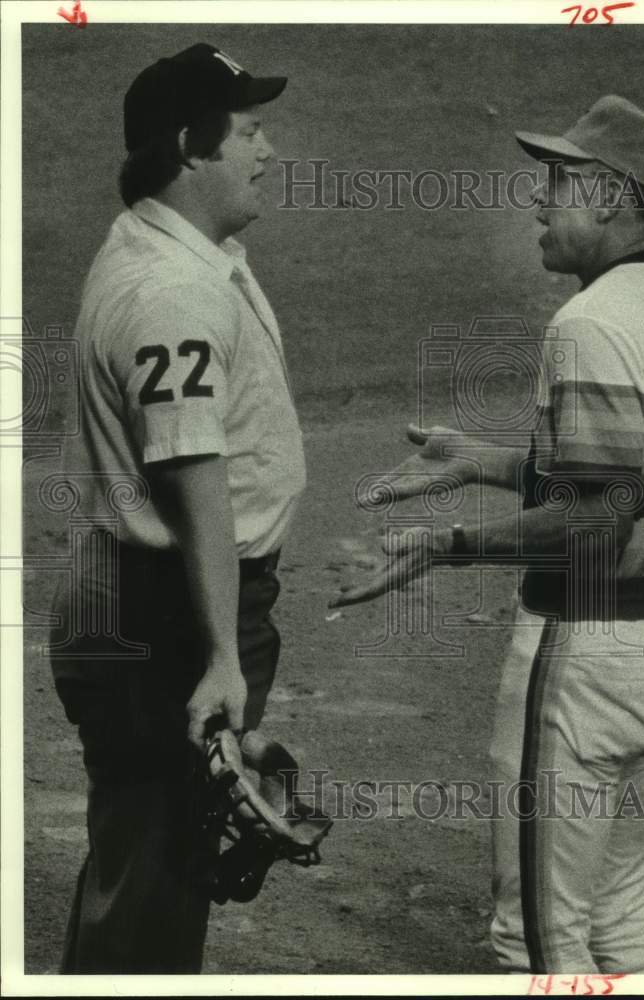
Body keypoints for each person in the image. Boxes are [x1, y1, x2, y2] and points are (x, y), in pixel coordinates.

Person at [332, 96, 644, 974]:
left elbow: (592, 520)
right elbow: (631, 480)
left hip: (586, 655)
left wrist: (448, 546)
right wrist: (485, 460)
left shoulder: (587, 325)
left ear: (613, 199)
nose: (539, 202)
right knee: (622, 917)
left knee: (540, 943)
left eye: (559, 182)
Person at [49, 43, 306, 973]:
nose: (269, 150)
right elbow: (193, 474)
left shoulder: (184, 251)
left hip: (155, 593)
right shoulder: (172, 291)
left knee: (157, 861)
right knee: (155, 871)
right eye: (249, 132)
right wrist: (224, 659)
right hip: (168, 610)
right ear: (191, 148)